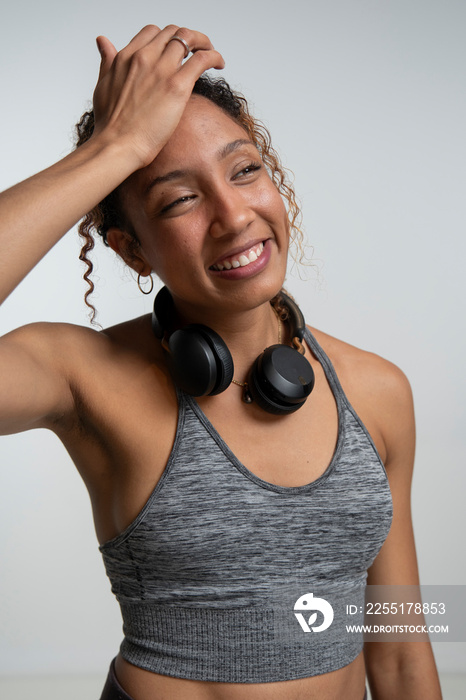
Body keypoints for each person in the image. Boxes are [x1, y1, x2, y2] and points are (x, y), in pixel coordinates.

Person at [0, 24, 442, 700]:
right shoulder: (80, 374)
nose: (234, 215)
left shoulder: (378, 392)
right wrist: (115, 148)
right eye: (180, 198)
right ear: (130, 250)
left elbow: (402, 652)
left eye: (244, 169)